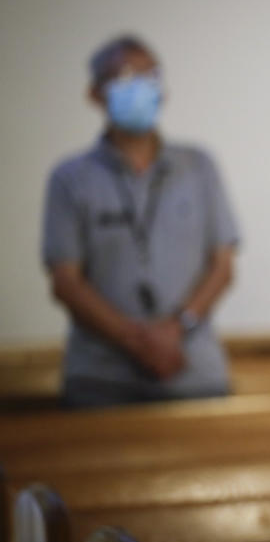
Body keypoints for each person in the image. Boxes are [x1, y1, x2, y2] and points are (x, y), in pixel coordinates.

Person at [42, 35, 240, 408]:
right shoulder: (70, 178)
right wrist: (139, 341)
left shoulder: (198, 166)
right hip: (102, 377)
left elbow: (223, 266)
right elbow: (65, 281)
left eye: (151, 76)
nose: (140, 87)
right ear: (95, 93)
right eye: (125, 76)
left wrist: (175, 329)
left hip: (194, 373)